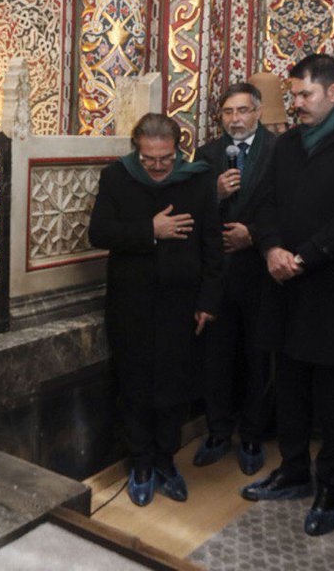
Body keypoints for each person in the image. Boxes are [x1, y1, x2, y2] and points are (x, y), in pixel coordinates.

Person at [243, 54, 334, 537]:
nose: (297, 104)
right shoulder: (287, 144)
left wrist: (303, 257)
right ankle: (292, 471)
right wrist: (270, 248)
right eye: (294, 95)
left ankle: (331, 487)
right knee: (289, 386)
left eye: (305, 95)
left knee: (333, 396)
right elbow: (263, 202)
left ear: (333, 92)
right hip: (284, 286)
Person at [89, 113, 223, 507]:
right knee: (134, 388)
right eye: (149, 159)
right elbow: (99, 232)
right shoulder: (117, 177)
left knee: (173, 388)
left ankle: (166, 460)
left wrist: (208, 300)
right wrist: (150, 230)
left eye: (165, 158)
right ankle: (142, 464)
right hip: (131, 303)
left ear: (178, 150)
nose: (158, 166)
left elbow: (212, 245)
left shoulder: (197, 180)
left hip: (182, 305)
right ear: (137, 150)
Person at [192, 83, 277, 475]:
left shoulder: (279, 150)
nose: (235, 119)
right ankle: (218, 432)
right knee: (217, 358)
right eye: (227, 112)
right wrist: (214, 193)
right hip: (219, 275)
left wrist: (254, 235)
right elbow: (193, 211)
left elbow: (288, 205)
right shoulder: (208, 154)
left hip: (260, 272)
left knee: (257, 358)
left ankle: (253, 436)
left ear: (257, 112)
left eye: (242, 110)